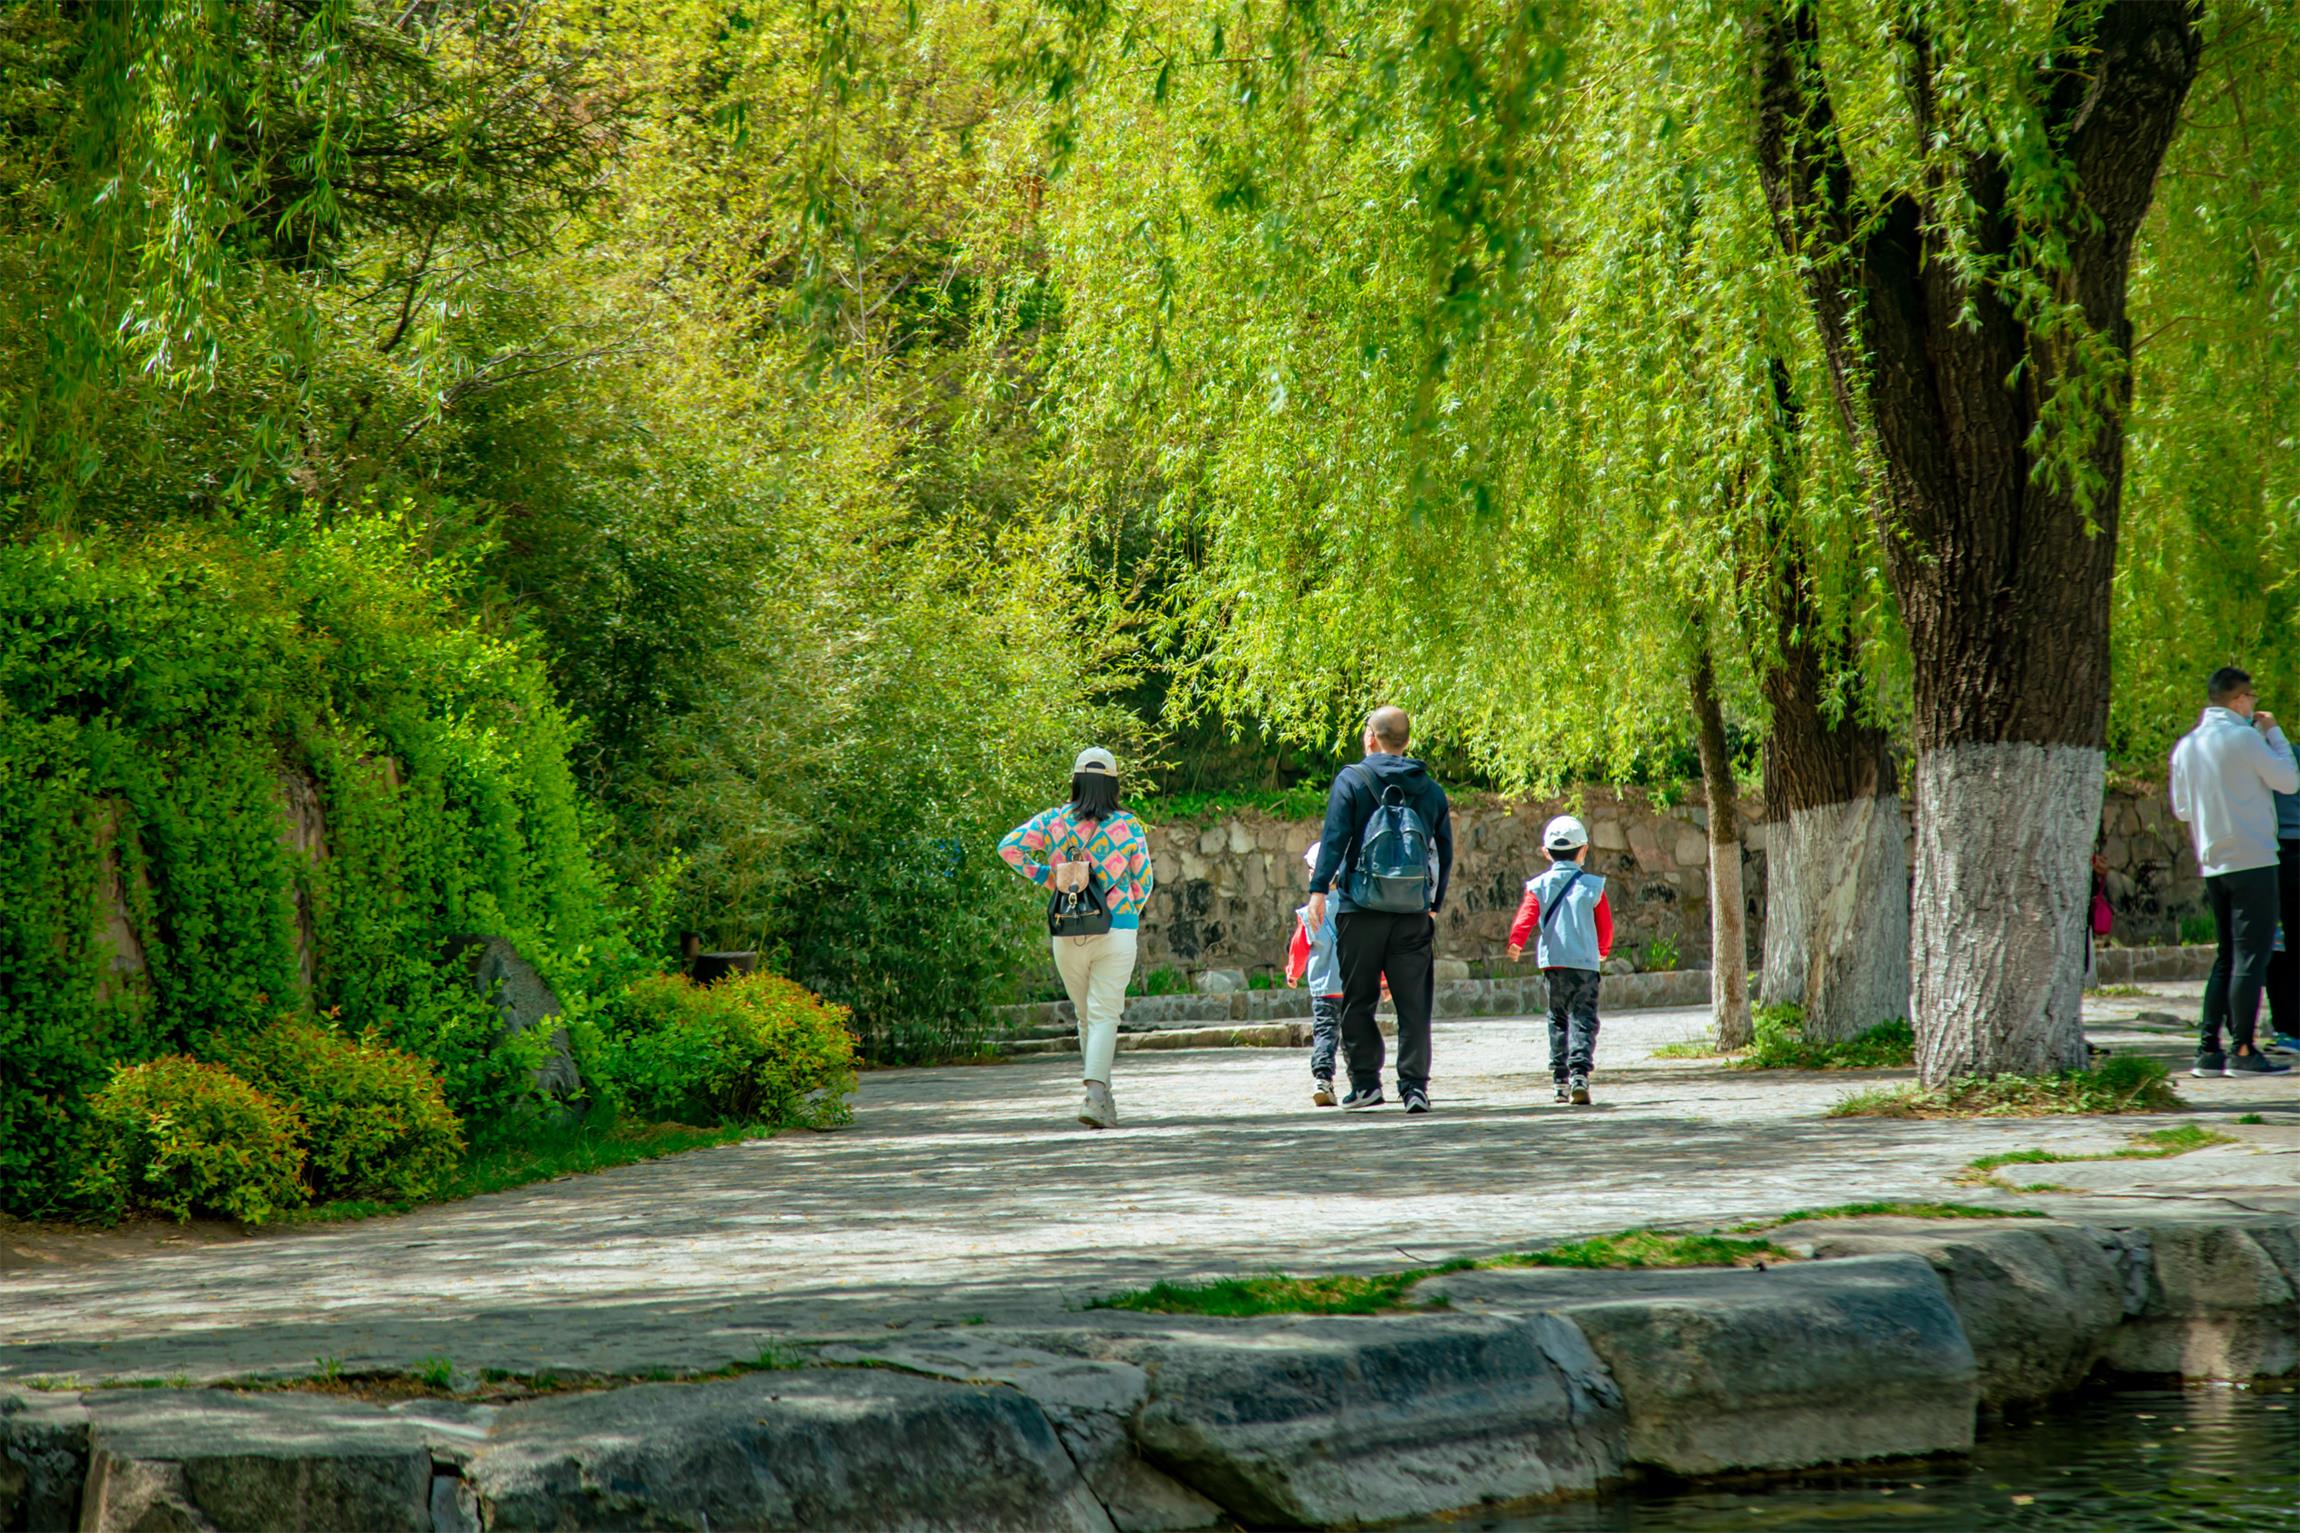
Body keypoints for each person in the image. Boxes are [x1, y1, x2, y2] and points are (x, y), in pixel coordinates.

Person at [1306, 706, 1454, 1114]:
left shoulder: (1352, 780)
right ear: (1406, 741)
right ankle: (1414, 1088)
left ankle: (1367, 1084)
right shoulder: (1430, 790)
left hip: (1359, 908)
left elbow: (1334, 838)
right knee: (1414, 1002)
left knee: (1358, 999)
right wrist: (1433, 905)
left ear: (1371, 736)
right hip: (1411, 911)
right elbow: (1443, 850)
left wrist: (1319, 891)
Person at [1000, 748, 1158, 1127]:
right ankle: (1096, 1093)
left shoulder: (1053, 821)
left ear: (1075, 780)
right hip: (1116, 930)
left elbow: (1008, 847)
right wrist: (1126, 915)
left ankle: (1099, 1095)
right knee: (1105, 1014)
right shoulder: (1128, 825)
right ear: (1113, 784)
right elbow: (1145, 881)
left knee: (1086, 1015)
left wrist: (1049, 876)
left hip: (1067, 928)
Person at [2168, 668, 2297, 1077]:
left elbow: (2183, 810)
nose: (2254, 707)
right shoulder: (2246, 738)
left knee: (2226, 956)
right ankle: (2243, 1050)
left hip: (2214, 861)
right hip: (2254, 859)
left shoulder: (2187, 746)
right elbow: (2289, 781)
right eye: (2252, 700)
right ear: (2240, 700)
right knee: (2252, 957)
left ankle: (2208, 1050)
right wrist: (2273, 732)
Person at [1507, 815, 1615, 1104]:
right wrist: (1603, 950)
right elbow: (1605, 925)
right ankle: (1580, 1074)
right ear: (1584, 850)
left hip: (1553, 964)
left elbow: (1527, 916)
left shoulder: (1538, 886)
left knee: (1557, 1018)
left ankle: (1559, 1081)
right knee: (1584, 1017)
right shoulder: (1593, 886)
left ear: (1546, 852)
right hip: (1585, 965)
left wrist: (1516, 941)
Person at [1285, 843, 1349, 1106]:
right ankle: (1361, 1080)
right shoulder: (1353, 909)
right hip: (1353, 984)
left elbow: (1299, 948)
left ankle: (1323, 1079)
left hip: (1323, 987)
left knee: (1324, 1032)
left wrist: (1293, 972)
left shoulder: (1309, 914)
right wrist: (1381, 980)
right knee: (1355, 1033)